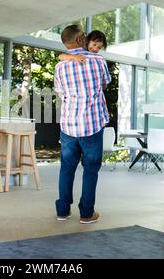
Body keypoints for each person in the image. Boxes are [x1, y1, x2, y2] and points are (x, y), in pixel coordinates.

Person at [54, 25, 111, 224]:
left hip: (69, 124)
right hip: (92, 124)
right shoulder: (98, 60)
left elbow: (60, 92)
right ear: (80, 40)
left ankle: (62, 210)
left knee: (66, 167)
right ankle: (86, 213)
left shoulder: (60, 66)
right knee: (90, 169)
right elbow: (104, 85)